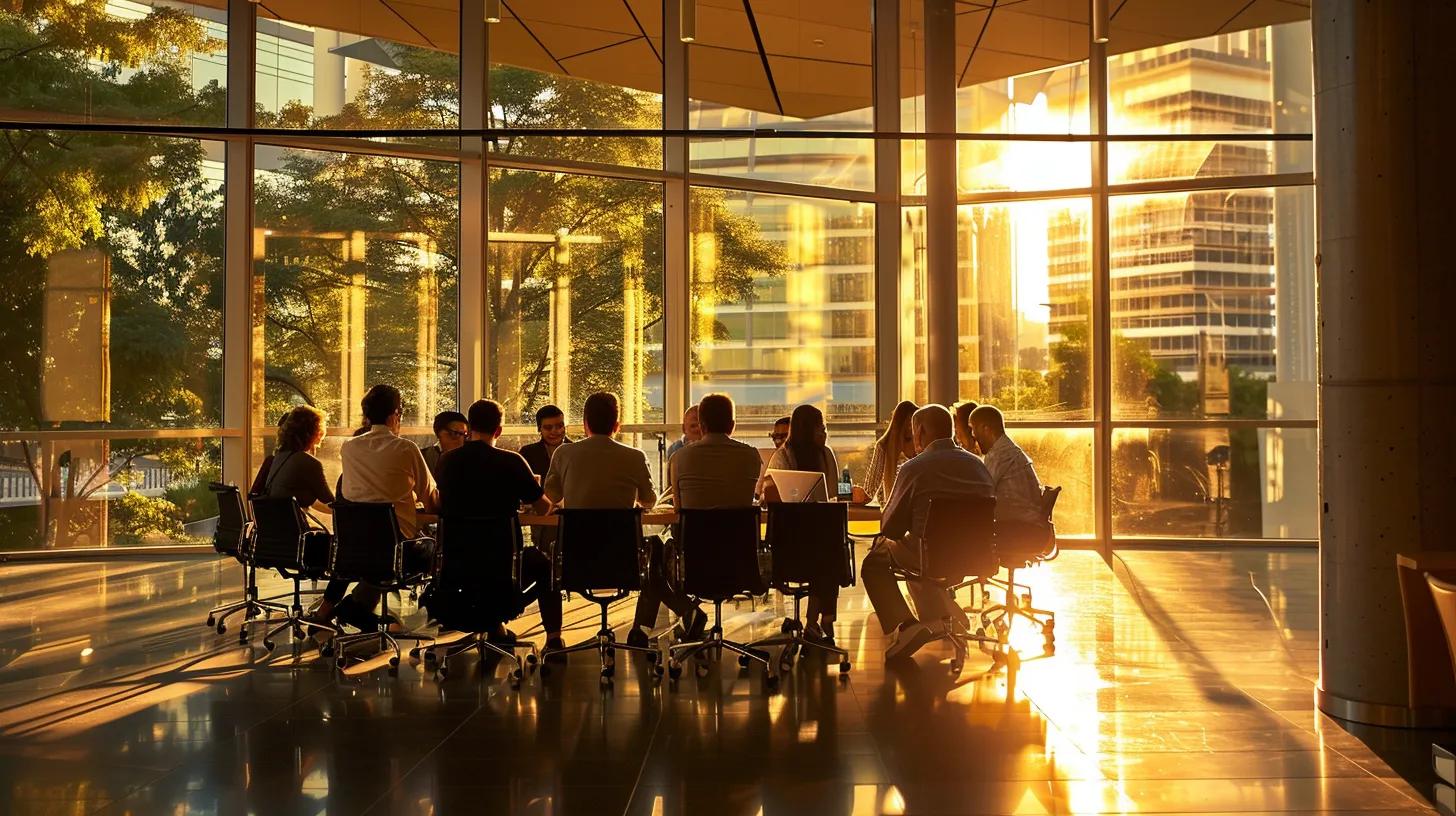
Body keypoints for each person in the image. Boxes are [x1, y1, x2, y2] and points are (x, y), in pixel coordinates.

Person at [541, 392, 698, 648]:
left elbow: (551, 496)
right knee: (656, 550)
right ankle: (647, 625)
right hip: (624, 563)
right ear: (617, 425)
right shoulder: (634, 456)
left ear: (585, 424)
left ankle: (554, 638)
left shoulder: (563, 454)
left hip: (575, 562)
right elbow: (649, 502)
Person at [860, 405, 995, 662]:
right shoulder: (978, 466)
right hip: (975, 556)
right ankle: (944, 619)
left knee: (877, 559)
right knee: (918, 552)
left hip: (931, 556)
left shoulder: (914, 468)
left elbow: (890, 527)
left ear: (919, 431)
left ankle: (905, 626)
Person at [435, 399, 563, 651]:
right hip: (503, 564)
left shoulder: (447, 461)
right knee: (546, 565)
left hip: (457, 563)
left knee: (482, 576)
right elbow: (543, 507)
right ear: (499, 430)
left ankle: (494, 626)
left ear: (470, 427)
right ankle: (553, 639)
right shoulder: (511, 461)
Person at [631, 394, 761, 643]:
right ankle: (671, 620)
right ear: (733, 425)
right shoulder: (752, 456)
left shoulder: (680, 458)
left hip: (693, 562)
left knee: (656, 553)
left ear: (701, 425)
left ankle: (682, 614)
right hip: (740, 561)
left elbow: (680, 511)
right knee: (659, 551)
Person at [324, 384, 440, 631]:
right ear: (394, 415)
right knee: (436, 548)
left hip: (356, 544)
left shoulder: (349, 447)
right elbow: (430, 498)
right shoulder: (405, 448)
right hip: (397, 550)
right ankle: (440, 613)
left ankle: (354, 609)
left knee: (378, 557)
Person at [762, 404, 866, 641]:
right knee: (829, 545)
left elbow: (833, 492)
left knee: (826, 541)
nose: (825, 433)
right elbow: (770, 494)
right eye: (821, 428)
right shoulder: (788, 456)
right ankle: (820, 620)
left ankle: (814, 621)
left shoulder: (822, 454)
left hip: (797, 545)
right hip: (802, 544)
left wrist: (851, 491)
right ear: (808, 430)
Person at [969, 405, 1045, 527]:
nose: (972, 435)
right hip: (1032, 524)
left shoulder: (999, 454)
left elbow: (982, 491)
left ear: (985, 428)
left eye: (973, 429)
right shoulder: (1011, 450)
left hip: (1018, 528)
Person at [261, 405, 334, 517]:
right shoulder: (308, 462)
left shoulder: (279, 457)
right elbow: (330, 501)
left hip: (274, 526)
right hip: (294, 530)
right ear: (314, 432)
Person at [862, 400, 917, 505]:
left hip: (907, 506)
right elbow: (870, 489)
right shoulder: (883, 447)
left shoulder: (920, 445)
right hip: (890, 507)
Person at [519, 404, 571, 478]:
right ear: (539, 429)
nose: (555, 431)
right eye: (548, 428)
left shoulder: (577, 451)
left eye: (559, 426)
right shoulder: (528, 453)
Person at [419, 410, 468, 479]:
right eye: (455, 434)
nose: (461, 440)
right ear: (439, 433)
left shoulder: (468, 460)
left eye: (465, 435)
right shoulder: (423, 457)